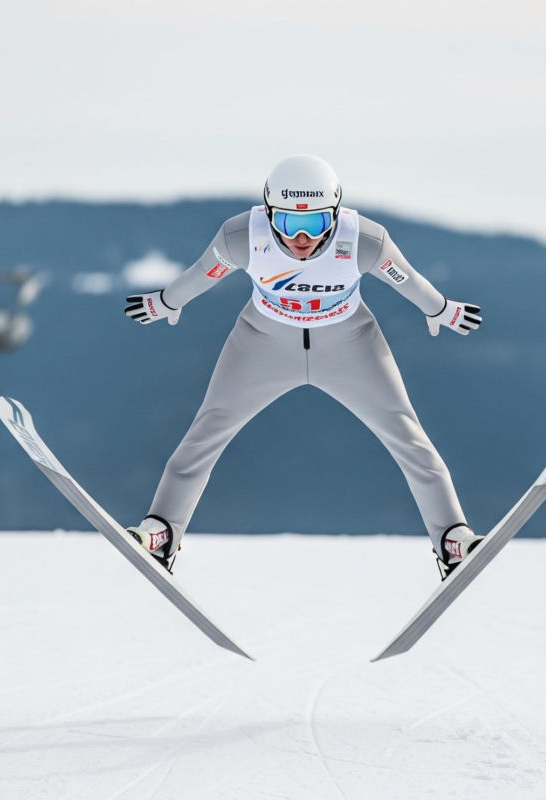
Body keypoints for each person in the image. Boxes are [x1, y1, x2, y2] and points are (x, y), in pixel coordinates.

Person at [124, 155, 483, 580]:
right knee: (208, 429)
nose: (299, 237)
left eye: (313, 225)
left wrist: (439, 309)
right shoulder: (243, 236)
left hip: (349, 343)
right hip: (262, 343)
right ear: (267, 212)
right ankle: (162, 530)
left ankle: (452, 539)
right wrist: (167, 301)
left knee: (405, 432)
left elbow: (406, 279)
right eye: (287, 222)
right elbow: (204, 273)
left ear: (334, 215)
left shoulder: (363, 240)